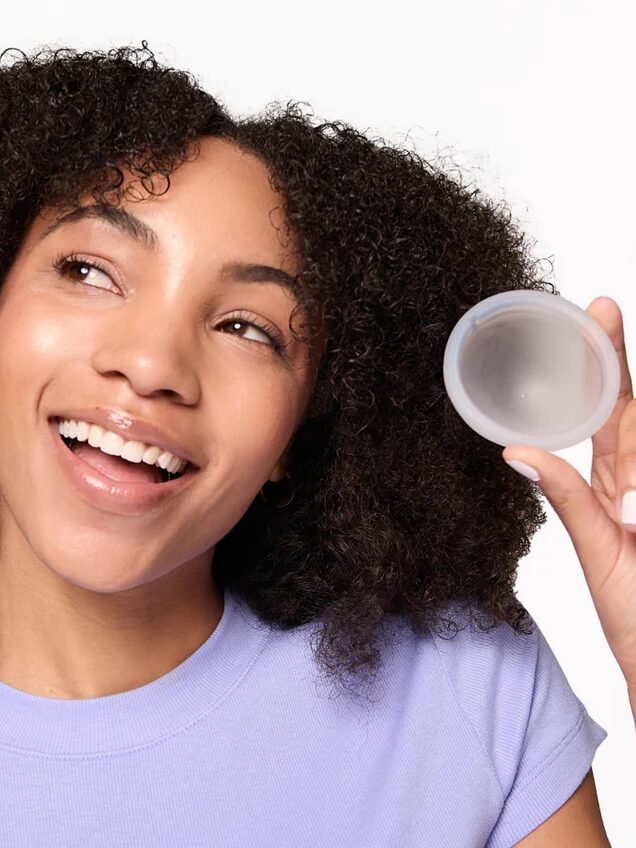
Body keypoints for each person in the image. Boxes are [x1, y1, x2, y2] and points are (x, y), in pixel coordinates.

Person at [0, 42, 631, 847]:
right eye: (90, 270)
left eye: (246, 327)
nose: (153, 364)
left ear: (302, 430)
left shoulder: (462, 689)